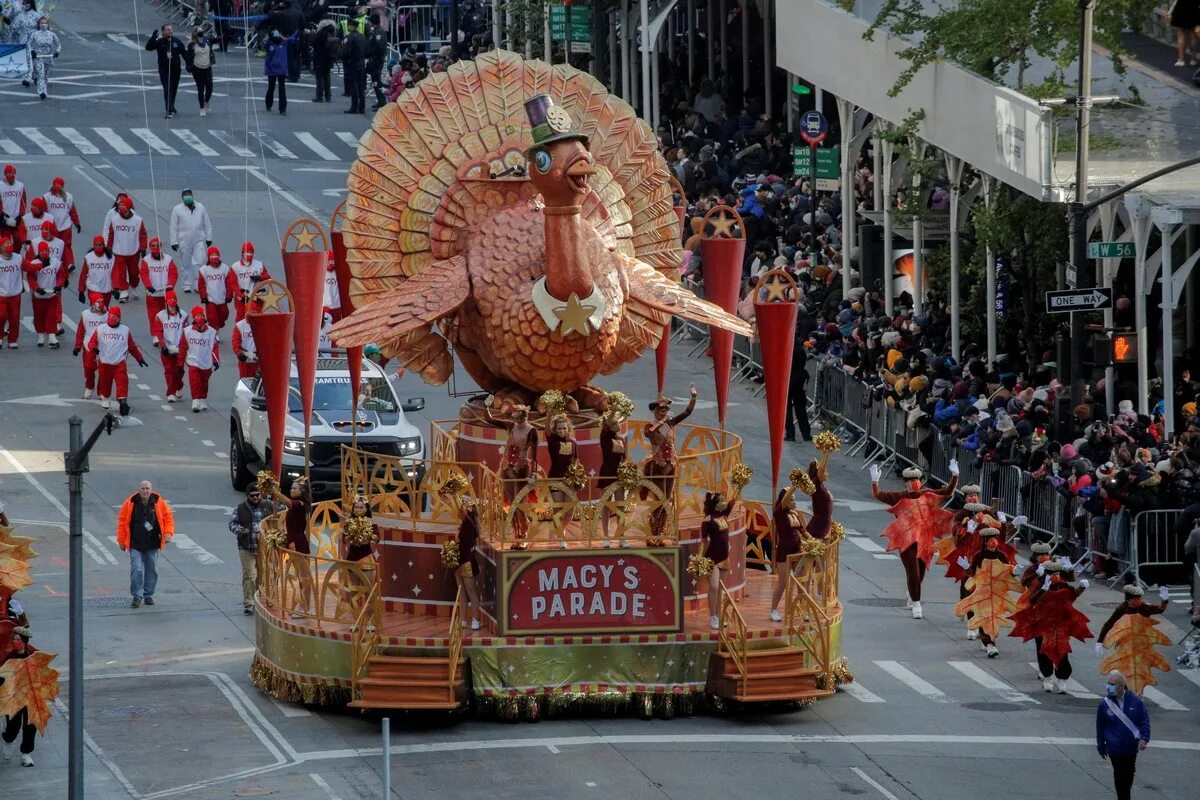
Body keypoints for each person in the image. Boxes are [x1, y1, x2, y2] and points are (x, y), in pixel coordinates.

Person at [870, 461, 960, 619]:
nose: (915, 482)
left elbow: (947, 492)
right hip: (907, 542)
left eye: (917, 479)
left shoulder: (927, 495)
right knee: (912, 572)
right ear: (906, 483)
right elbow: (879, 495)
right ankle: (916, 603)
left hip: (925, 541)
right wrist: (875, 482)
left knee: (920, 573)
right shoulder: (898, 497)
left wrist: (955, 476)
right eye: (912, 480)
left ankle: (912, 593)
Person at [642, 384, 698, 542]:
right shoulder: (651, 426)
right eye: (661, 410)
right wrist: (661, 423)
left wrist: (693, 397)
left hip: (671, 464)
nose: (665, 412)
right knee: (659, 500)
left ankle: (661, 532)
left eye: (666, 410)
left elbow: (687, 412)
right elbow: (649, 433)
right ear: (656, 411)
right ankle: (651, 533)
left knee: (667, 500)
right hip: (658, 465)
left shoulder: (671, 424)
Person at [116, 481, 175, 608]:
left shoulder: (159, 502)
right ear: (139, 490)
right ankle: (137, 596)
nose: (145, 491)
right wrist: (121, 540)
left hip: (152, 544)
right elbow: (122, 522)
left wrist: (168, 533)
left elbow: (168, 518)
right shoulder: (130, 503)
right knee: (137, 569)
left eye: (147, 489)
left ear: (151, 490)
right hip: (135, 544)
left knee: (152, 569)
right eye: (143, 489)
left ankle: (148, 594)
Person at [1096, 670, 1151, 800]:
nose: (1109, 687)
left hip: (1131, 747)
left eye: (1112, 684)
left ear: (1121, 686)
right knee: (1119, 775)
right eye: (1108, 683)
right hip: (1114, 747)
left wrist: (1144, 738)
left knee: (1129, 775)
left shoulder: (1135, 701)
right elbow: (1100, 726)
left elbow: (1144, 721)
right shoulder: (1104, 704)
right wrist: (1101, 745)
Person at [86, 305, 148, 414]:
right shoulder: (101, 329)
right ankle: (105, 397)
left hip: (119, 362)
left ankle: (122, 401)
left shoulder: (125, 330)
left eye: (114, 316)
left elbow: (132, 346)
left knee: (122, 382)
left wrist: (139, 358)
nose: (111, 318)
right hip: (104, 362)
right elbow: (92, 342)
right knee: (105, 382)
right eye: (110, 316)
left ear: (119, 318)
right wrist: (93, 348)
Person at [231, 486, 276, 615]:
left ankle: (261, 600)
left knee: (263, 575)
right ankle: (249, 603)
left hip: (265, 548)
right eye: (252, 496)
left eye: (257, 495)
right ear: (247, 496)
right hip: (246, 547)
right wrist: (239, 530)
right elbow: (232, 524)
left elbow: (284, 511)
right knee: (250, 575)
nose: (255, 497)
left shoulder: (269, 505)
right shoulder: (239, 509)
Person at [0, 625, 39, 767]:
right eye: (14, 639)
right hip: (14, 698)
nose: (15, 641)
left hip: (31, 696)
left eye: (18, 639)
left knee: (30, 725)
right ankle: (9, 740)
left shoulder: (33, 655)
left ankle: (26, 754)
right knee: (13, 726)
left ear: (24, 641)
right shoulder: (8, 658)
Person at [769, 485, 807, 622]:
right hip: (784, 552)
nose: (794, 502)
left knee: (802, 582)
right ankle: (773, 610)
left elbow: (803, 531)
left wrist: (812, 541)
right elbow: (784, 500)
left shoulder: (795, 513)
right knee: (783, 583)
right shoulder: (779, 512)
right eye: (791, 500)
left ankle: (802, 610)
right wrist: (795, 485)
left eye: (794, 499)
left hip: (798, 551)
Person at [544, 413, 579, 547]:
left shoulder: (573, 442)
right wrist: (550, 411)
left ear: (568, 429)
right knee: (557, 510)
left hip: (570, 480)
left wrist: (577, 474)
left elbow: (576, 460)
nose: (562, 431)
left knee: (570, 511)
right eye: (559, 428)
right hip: (555, 478)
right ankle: (560, 538)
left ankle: (560, 530)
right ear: (555, 429)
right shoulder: (552, 440)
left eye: (564, 428)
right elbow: (546, 426)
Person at [21, 239, 63, 348]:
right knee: (39, 316)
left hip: (52, 295)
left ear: (49, 251)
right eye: (42, 251)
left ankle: (52, 336)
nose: (44, 253)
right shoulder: (34, 264)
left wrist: (59, 285)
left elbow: (61, 275)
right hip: (39, 296)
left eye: (46, 251)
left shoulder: (55, 262)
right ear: (39, 252)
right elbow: (30, 277)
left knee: (51, 315)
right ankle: (40, 335)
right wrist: (37, 288)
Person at [104, 197, 147, 303]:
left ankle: (134, 286)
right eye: (120, 208)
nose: (122, 211)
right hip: (119, 251)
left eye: (124, 208)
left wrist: (143, 248)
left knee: (134, 272)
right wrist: (109, 248)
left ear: (129, 208)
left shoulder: (138, 220)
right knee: (121, 273)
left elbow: (142, 235)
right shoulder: (114, 220)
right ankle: (123, 291)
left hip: (133, 251)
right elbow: (111, 234)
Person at [168, 189, 211, 293]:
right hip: (184, 241)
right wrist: (174, 241)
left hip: (199, 240)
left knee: (199, 262)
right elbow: (173, 226)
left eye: (189, 194)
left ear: (192, 195)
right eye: (185, 195)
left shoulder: (200, 207)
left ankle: (197, 285)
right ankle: (187, 284)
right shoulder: (177, 209)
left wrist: (209, 238)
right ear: (182, 197)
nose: (187, 197)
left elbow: (207, 223)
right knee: (186, 263)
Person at [701, 492, 734, 629]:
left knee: (721, 589)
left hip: (725, 557)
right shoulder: (707, 520)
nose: (724, 502)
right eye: (721, 500)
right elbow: (705, 541)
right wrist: (701, 558)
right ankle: (712, 616)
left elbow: (734, 501)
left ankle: (719, 616)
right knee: (713, 586)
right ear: (715, 503)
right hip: (712, 558)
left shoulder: (724, 515)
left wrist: (739, 484)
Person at [597, 407, 629, 546]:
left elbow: (624, 459)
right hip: (606, 475)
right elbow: (608, 422)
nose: (618, 425)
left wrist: (627, 473)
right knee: (606, 507)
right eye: (615, 423)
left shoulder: (622, 439)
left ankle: (621, 537)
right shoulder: (604, 436)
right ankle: (606, 537)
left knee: (620, 507)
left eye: (618, 422)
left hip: (619, 476)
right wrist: (614, 409)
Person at [179, 305, 219, 412]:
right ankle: (195, 401)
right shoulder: (187, 331)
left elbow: (214, 347)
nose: (199, 318)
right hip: (193, 361)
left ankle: (202, 399)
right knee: (195, 381)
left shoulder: (211, 332)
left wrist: (216, 361)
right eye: (197, 316)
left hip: (206, 362)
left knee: (204, 382)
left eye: (201, 315)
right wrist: (180, 362)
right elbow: (183, 347)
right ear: (194, 318)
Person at [145, 23, 187, 118]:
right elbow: (148, 48)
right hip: (164, 68)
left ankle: (171, 105)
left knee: (174, 88)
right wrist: (152, 38)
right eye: (168, 30)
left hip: (176, 69)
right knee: (167, 88)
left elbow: (184, 53)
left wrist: (189, 64)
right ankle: (168, 108)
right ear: (163, 32)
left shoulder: (176, 41)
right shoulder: (160, 42)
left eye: (171, 30)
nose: (170, 31)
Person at [72, 293, 109, 399]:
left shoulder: (108, 315)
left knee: (103, 370)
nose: (101, 304)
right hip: (89, 345)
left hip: (103, 347)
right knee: (88, 368)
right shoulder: (85, 315)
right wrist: (77, 346)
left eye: (102, 301)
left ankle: (102, 391)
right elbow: (80, 331)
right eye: (98, 301)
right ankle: (89, 386)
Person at [152, 290, 186, 402]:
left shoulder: (184, 315)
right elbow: (158, 332)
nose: (172, 301)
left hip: (180, 348)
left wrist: (183, 346)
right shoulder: (160, 316)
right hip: (166, 348)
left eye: (174, 299)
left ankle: (179, 385)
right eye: (170, 299)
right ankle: (171, 393)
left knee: (179, 370)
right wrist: (163, 346)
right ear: (166, 301)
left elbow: (186, 332)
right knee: (169, 370)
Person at [139, 237, 177, 333]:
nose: (155, 247)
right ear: (150, 247)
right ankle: (156, 334)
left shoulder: (168, 259)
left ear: (161, 247)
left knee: (168, 313)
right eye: (153, 246)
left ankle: (167, 332)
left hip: (166, 292)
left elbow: (173, 273)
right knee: (153, 315)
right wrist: (148, 286)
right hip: (153, 293)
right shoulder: (146, 260)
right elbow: (144, 274)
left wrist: (171, 285)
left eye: (157, 245)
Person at [454, 497, 481, 630]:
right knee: (461, 593)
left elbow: (474, 528)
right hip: (458, 560)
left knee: (471, 591)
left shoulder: (470, 523)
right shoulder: (463, 524)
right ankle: (463, 619)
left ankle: (475, 619)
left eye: (461, 507)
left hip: (468, 560)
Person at [42, 177, 79, 273]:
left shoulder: (69, 197)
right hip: (52, 227)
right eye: (55, 184)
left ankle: (70, 264)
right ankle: (54, 263)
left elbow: (72, 211)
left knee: (66, 245)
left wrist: (77, 223)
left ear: (62, 187)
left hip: (65, 226)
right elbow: (44, 211)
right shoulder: (47, 197)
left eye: (59, 185)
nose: (57, 186)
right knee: (54, 246)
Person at [198, 245, 236, 330]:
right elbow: (201, 284)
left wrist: (229, 295)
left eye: (216, 255)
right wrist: (203, 296)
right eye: (212, 255)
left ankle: (218, 325)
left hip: (222, 298)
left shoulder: (225, 268)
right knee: (212, 317)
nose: (214, 257)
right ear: (209, 257)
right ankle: (214, 332)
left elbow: (229, 283)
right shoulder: (204, 270)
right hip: (210, 298)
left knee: (224, 314)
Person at [263, 28, 299, 115]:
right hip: (273, 70)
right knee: (273, 88)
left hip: (279, 70)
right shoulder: (270, 44)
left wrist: (299, 29)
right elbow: (264, 42)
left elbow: (293, 38)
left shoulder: (284, 43)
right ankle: (274, 106)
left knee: (278, 89)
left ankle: (280, 108)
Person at [231, 241, 269, 321]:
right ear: (242, 253)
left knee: (255, 318)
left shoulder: (259, 265)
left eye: (251, 252)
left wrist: (259, 277)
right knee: (241, 319)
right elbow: (233, 284)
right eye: (247, 252)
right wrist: (241, 295)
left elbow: (267, 277)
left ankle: (254, 333)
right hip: (242, 297)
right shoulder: (235, 267)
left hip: (256, 296)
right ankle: (239, 333)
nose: (249, 254)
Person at [785, 332, 811, 441]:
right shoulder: (800, 348)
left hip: (789, 379)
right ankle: (806, 434)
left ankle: (790, 434)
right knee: (800, 408)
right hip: (799, 379)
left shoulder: (788, 349)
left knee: (787, 409)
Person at [24, 15, 57, 99]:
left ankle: (42, 86)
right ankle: (42, 92)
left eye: (45, 23)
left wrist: (57, 52)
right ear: (39, 24)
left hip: (48, 57)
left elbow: (58, 44)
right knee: (41, 75)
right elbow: (29, 44)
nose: (44, 25)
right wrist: (32, 51)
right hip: (38, 57)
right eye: (42, 23)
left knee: (45, 76)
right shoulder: (34, 34)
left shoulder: (52, 34)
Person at [77, 234, 115, 307]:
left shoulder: (110, 258)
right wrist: (81, 291)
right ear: (93, 245)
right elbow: (83, 274)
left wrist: (116, 288)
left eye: (100, 245)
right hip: (93, 289)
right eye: (96, 245)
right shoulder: (89, 257)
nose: (98, 247)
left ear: (103, 245)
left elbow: (115, 273)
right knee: (96, 309)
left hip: (106, 289)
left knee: (105, 310)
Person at [186, 26, 215, 116]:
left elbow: (216, 40)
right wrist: (189, 66)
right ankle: (202, 108)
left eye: (202, 31)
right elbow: (188, 57)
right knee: (200, 88)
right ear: (195, 33)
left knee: (210, 87)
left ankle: (206, 101)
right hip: (197, 68)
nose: (201, 33)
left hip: (207, 67)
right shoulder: (192, 44)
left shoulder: (207, 41)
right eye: (199, 32)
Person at [0, 236, 22, 349]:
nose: (10, 245)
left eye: (10, 243)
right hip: (2, 296)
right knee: (1, 316)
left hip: (15, 295)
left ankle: (12, 340)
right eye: (7, 243)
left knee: (14, 318)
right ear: (1, 247)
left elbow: (28, 266)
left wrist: (42, 263)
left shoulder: (18, 258)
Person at [343, 18, 368, 114]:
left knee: (354, 86)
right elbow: (367, 50)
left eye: (349, 25)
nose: (348, 27)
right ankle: (362, 107)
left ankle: (354, 107)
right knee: (361, 85)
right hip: (361, 63)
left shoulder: (349, 37)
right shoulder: (363, 37)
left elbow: (345, 52)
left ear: (352, 26)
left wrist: (346, 61)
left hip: (352, 64)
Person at [311, 18, 337, 102]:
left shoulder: (321, 34)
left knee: (319, 78)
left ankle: (319, 96)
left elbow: (313, 43)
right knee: (327, 77)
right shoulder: (332, 35)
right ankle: (328, 96)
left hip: (319, 57)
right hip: (328, 58)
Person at [0, 164, 26, 249]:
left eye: (13, 173)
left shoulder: (20, 186)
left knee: (18, 240)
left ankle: (15, 256)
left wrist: (20, 216)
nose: (11, 175)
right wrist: (4, 217)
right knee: (5, 242)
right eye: (9, 173)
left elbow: (23, 202)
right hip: (4, 220)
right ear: (5, 174)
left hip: (16, 219)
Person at [365, 13, 387, 110]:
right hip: (373, 60)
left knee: (376, 82)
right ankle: (380, 101)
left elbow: (379, 47)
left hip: (376, 61)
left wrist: (370, 53)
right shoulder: (375, 31)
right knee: (375, 81)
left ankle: (382, 101)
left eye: (369, 21)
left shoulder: (379, 32)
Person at [1171, 0, 1199, 67]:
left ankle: (1181, 60)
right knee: (1193, 35)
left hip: (1181, 8)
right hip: (1194, 9)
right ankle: (1193, 60)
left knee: (1181, 34)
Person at [231, 311, 259, 378]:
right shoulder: (240, 325)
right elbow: (235, 341)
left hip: (260, 357)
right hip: (246, 356)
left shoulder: (262, 324)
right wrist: (239, 353)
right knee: (245, 380)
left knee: (260, 383)